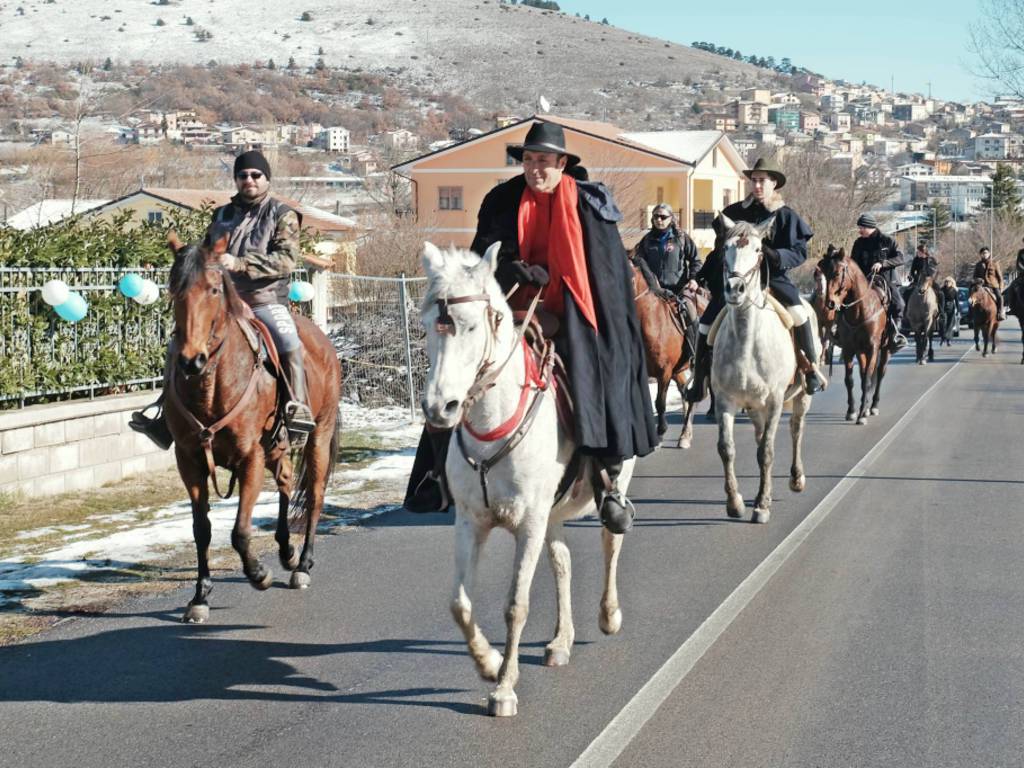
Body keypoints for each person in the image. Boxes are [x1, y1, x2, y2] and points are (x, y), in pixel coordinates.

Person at [403, 121, 658, 534]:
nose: (535, 169)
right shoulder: (501, 200)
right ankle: (438, 474)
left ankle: (608, 481)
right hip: (511, 306)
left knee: (597, 371)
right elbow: (477, 265)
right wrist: (511, 270)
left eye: (543, 161)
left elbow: (606, 275)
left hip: (578, 308)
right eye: (528, 160)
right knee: (458, 373)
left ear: (562, 163)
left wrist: (562, 281)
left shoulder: (591, 205)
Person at [130, 149, 315, 449]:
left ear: (267, 179)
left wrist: (240, 264)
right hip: (221, 301)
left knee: (288, 339)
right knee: (178, 344)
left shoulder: (282, 215)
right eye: (243, 175)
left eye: (256, 175)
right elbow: (205, 257)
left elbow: (286, 261)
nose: (249, 180)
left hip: (264, 299)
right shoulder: (222, 215)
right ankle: (164, 416)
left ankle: (297, 408)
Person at [685, 156, 827, 404]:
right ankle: (699, 380)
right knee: (705, 324)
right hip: (738, 280)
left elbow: (799, 253)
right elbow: (720, 252)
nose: (758, 185)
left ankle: (810, 370)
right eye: (754, 180)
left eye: (763, 181)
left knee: (800, 314)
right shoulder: (735, 213)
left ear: (774, 183)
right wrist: (700, 276)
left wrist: (774, 254)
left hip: (773, 278)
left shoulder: (785, 216)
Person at [633, 202, 702, 351]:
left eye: (663, 217)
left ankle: (696, 353)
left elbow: (696, 260)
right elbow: (637, 263)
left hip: (679, 290)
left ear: (671, 218)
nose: (659, 220)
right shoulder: (646, 241)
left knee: (690, 312)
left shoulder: (681, 238)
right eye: (656, 216)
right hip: (654, 291)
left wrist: (694, 279)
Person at [851, 213, 908, 351]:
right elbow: (853, 262)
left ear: (869, 227)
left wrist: (883, 263)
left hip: (886, 279)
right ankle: (841, 334)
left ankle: (896, 334)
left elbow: (900, 258)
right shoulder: (858, 243)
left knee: (899, 303)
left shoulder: (888, 241)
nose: (859, 230)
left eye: (861, 228)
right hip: (864, 281)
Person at [973, 246, 1006, 320]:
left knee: (1000, 297)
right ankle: (972, 314)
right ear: (980, 255)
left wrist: (1001, 287)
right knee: (972, 297)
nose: (984, 254)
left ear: (989, 254)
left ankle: (1000, 313)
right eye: (982, 253)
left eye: (985, 253)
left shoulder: (995, 263)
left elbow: (1000, 277)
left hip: (993, 285)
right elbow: (974, 276)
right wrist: (978, 279)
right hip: (982, 286)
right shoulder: (978, 265)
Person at [938, 276, 959, 345]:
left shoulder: (954, 290)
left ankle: (948, 339)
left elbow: (956, 300)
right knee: (943, 323)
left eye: (948, 282)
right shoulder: (941, 290)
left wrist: (958, 310)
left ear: (951, 283)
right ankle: (943, 337)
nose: (947, 283)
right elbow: (938, 300)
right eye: (946, 282)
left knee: (950, 324)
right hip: (943, 308)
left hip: (951, 308)